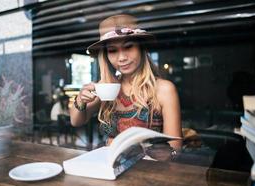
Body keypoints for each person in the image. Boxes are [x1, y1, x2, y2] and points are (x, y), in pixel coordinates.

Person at [70, 14, 182, 153]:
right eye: (113, 50)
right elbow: (76, 121)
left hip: (149, 168)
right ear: (106, 55)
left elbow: (175, 146)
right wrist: (81, 100)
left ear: (141, 48)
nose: (122, 58)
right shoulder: (107, 88)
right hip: (110, 166)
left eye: (128, 47)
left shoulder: (164, 89)